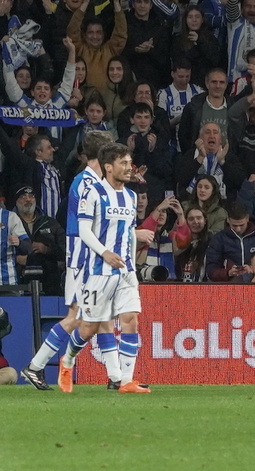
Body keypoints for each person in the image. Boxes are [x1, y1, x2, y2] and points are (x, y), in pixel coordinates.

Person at [20, 131, 127, 391]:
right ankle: (35, 367)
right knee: (78, 318)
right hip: (83, 262)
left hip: (91, 262)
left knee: (103, 319)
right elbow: (85, 228)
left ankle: (116, 378)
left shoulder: (95, 181)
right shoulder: (86, 183)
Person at [58, 142, 150, 394]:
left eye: (130, 163)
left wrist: (132, 265)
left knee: (131, 320)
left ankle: (126, 381)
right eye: (124, 163)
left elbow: (129, 234)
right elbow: (84, 231)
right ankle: (66, 362)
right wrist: (104, 252)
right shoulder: (93, 193)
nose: (129, 168)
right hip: (98, 271)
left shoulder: (131, 197)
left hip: (125, 271)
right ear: (109, 167)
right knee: (88, 328)